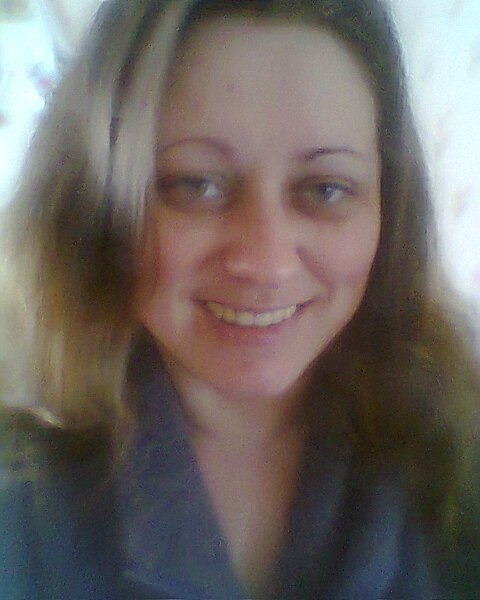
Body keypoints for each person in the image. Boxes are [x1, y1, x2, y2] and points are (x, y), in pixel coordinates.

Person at [1, 0, 479, 598]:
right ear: (95, 204)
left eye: (325, 189)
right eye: (195, 184)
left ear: (389, 209)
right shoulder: (19, 485)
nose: (266, 262)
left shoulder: (458, 451)